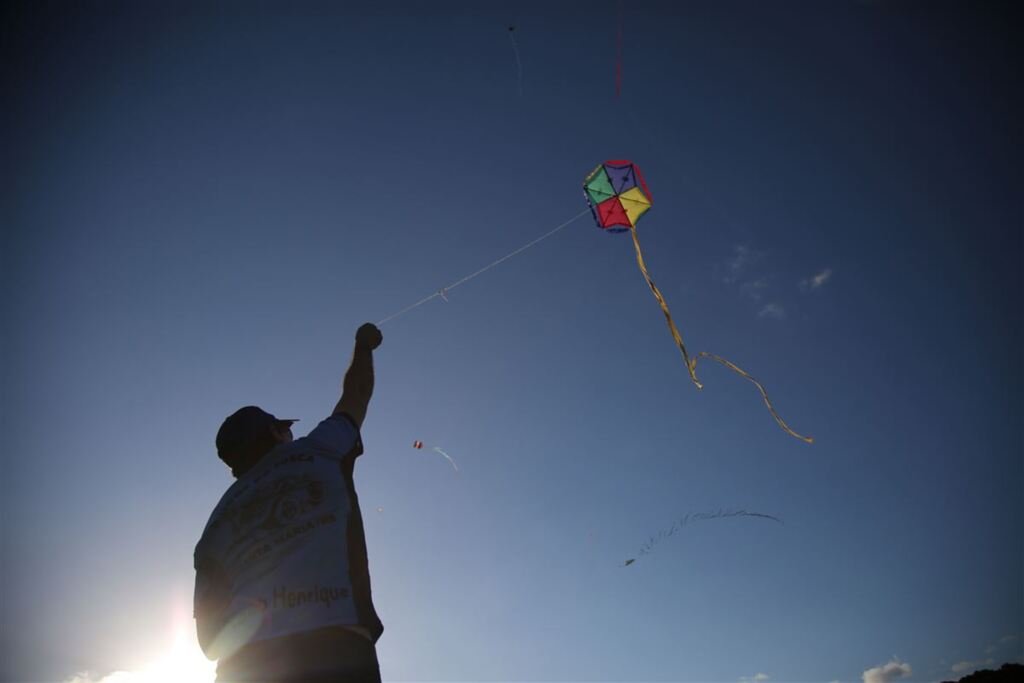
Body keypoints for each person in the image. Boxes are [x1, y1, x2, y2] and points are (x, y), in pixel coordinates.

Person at [194, 323, 384, 683]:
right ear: (274, 433)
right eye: (285, 429)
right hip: (336, 652)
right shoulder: (319, 449)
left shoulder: (213, 526)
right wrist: (363, 345)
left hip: (243, 668)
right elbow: (356, 392)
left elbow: (209, 642)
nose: (291, 434)